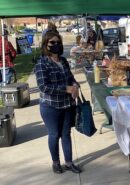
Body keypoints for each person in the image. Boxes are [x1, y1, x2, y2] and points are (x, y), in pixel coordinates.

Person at [35, 31, 82, 174]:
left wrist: (75, 86)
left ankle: (69, 162)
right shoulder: (42, 63)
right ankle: (56, 163)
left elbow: (70, 77)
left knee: (66, 134)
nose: (56, 45)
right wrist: (67, 89)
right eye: (52, 43)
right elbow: (44, 87)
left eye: (58, 42)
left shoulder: (63, 61)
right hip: (50, 106)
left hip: (67, 105)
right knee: (54, 135)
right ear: (46, 45)